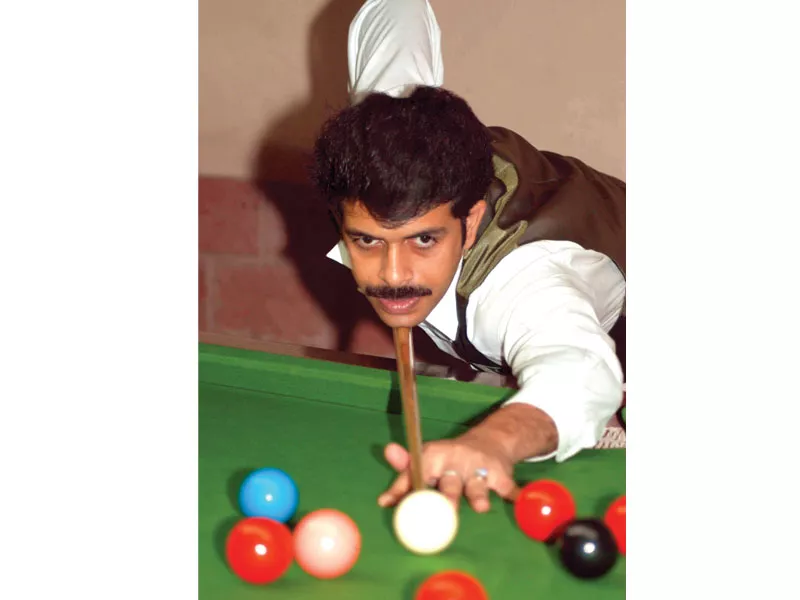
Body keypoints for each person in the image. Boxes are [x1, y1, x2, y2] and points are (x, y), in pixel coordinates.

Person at [310, 0, 626, 514]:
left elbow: (582, 370)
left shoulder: (523, 281)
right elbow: (396, 19)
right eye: (367, 241)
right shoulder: (386, 135)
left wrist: (494, 441)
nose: (393, 275)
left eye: (423, 241)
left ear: (471, 221)